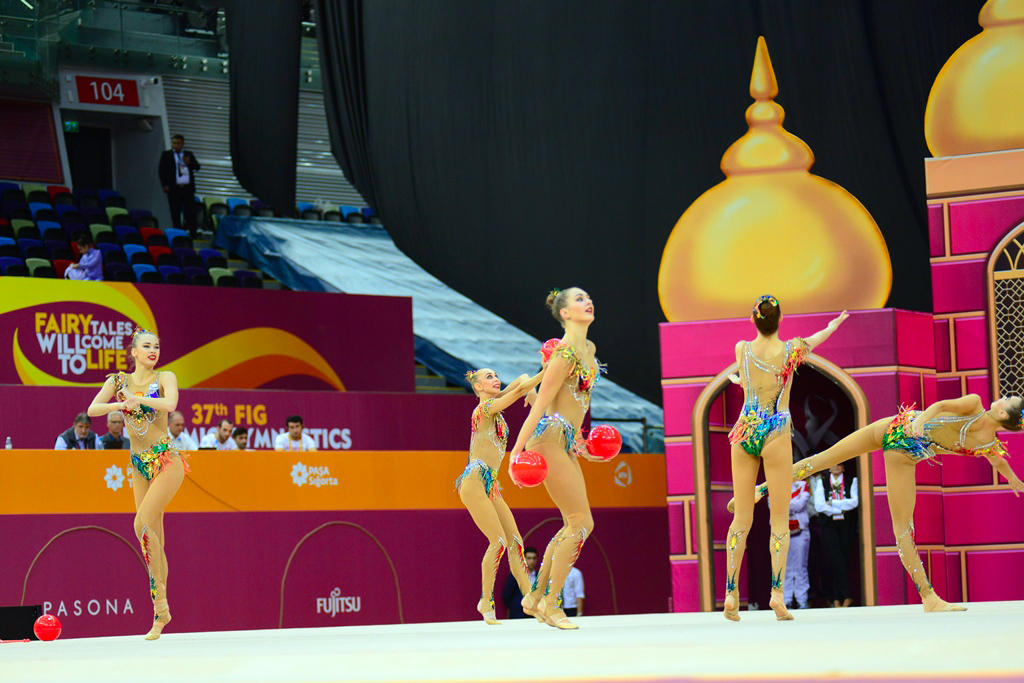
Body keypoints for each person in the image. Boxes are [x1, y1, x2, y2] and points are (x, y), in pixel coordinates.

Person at [738, 393, 1024, 611]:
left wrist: (1012, 478)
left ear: (1001, 411)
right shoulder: (978, 415)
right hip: (897, 432)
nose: (1001, 396)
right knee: (829, 462)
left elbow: (997, 460)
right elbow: (940, 408)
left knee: (901, 527)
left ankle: (929, 597)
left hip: (903, 444)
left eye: (1007, 398)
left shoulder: (984, 428)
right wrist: (922, 422)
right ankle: (761, 489)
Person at [723, 296, 847, 622]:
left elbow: (750, 382)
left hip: (745, 428)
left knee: (742, 518)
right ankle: (777, 594)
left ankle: (731, 592)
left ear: (753, 320)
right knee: (778, 519)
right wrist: (834, 325)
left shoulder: (741, 349)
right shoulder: (791, 349)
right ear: (781, 319)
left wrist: (739, 382)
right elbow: (818, 338)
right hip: (775, 430)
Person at [510, 287, 606, 630]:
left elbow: (577, 405)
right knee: (581, 523)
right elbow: (542, 404)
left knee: (574, 522)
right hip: (547, 439)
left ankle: (535, 598)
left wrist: (580, 442)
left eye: (587, 297)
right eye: (579, 299)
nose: (587, 301)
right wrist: (516, 452)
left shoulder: (589, 350)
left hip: (565, 440)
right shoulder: (564, 353)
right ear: (565, 313)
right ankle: (551, 604)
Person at [87, 328, 188, 639]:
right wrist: (121, 404)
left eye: (156, 345)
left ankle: (161, 609)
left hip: (166, 460)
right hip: (138, 465)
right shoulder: (117, 382)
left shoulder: (165, 377)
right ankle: (161, 612)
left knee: (140, 523)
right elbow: (92, 410)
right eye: (146, 346)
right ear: (133, 351)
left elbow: (170, 405)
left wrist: (140, 399)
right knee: (152, 537)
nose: (153, 350)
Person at [459, 367, 545, 624]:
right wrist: (549, 370)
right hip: (474, 481)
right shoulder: (483, 410)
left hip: (491, 485)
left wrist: (530, 388)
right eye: (489, 377)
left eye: (496, 375)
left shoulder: (495, 404)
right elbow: (518, 388)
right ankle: (486, 600)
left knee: (515, 542)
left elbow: (518, 382)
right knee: (497, 542)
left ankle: (530, 600)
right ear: (478, 388)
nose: (495, 379)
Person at [812, 463, 858, 607]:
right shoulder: (822, 482)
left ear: (844, 467)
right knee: (834, 558)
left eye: (840, 465)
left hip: (846, 525)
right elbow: (819, 506)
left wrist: (832, 504)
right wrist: (841, 507)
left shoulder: (852, 481)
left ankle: (838, 597)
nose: (837, 467)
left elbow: (854, 502)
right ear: (829, 468)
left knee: (844, 557)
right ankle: (845, 595)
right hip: (829, 525)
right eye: (834, 465)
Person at [773, 478, 810, 609]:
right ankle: (786, 599)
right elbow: (772, 505)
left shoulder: (803, 485)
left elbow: (801, 504)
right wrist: (788, 505)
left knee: (800, 567)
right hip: (780, 533)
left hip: (800, 531)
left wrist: (782, 505)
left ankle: (802, 600)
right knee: (783, 568)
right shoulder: (773, 483)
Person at [158, 134, 201, 238]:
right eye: (174, 143)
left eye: (178, 143)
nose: (175, 145)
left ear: (182, 144)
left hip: (187, 188)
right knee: (175, 212)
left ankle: (193, 233)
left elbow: (197, 167)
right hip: (174, 188)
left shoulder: (188, 154)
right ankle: (178, 234)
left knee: (190, 211)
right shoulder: (166, 155)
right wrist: (165, 185)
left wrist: (189, 163)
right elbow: (161, 171)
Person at [501, 545, 539, 619]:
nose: (532, 561)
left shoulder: (539, 576)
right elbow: (506, 595)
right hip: (519, 614)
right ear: (524, 559)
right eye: (529, 558)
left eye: (534, 558)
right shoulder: (516, 575)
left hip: (535, 614)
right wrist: (515, 606)